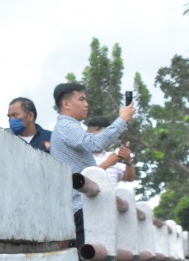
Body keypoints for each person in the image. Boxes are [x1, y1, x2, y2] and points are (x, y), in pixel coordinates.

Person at [49, 82, 135, 246]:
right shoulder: (67, 127)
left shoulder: (70, 127)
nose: (86, 104)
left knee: (93, 258)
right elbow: (95, 144)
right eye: (81, 99)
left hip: (81, 206)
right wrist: (122, 119)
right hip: (80, 207)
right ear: (66, 104)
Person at [86, 116, 135, 183]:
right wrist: (108, 163)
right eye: (97, 131)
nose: (101, 137)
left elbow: (130, 178)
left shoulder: (113, 156)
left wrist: (128, 161)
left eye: (104, 133)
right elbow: (83, 179)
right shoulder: (81, 155)